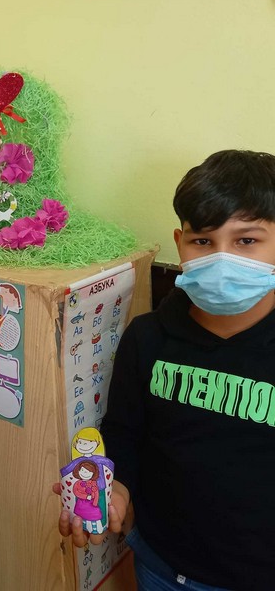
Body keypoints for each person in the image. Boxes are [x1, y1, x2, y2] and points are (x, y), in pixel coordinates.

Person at [58, 149, 275, 591]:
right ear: (179, 243)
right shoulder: (146, 337)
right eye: (203, 242)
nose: (221, 259)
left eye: (246, 241)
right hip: (158, 564)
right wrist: (117, 488)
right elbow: (124, 433)